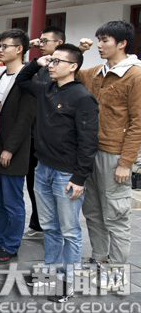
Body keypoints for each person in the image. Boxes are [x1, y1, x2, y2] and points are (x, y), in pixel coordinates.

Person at [16, 44, 99, 303]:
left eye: (57, 61)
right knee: (49, 227)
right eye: (51, 61)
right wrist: (36, 62)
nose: (51, 65)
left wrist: (79, 178)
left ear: (73, 66)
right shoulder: (47, 89)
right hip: (43, 169)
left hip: (66, 174)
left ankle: (68, 281)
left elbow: (89, 142)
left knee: (70, 231)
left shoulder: (83, 97)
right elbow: (22, 80)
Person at [76, 21, 141, 287]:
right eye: (99, 40)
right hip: (90, 151)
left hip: (114, 155)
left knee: (116, 215)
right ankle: (99, 259)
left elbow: (138, 123)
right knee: (92, 211)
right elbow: (70, 72)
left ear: (122, 43)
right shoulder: (97, 72)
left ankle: (116, 272)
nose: (100, 45)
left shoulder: (135, 75)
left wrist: (126, 162)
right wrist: (79, 52)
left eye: (105, 40)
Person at [0, 29, 36, 264]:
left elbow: (25, 119)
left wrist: (10, 148)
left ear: (20, 49)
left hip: (13, 150)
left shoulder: (27, 78)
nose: (0, 50)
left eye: (5, 46)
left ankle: (11, 245)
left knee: (12, 200)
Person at [23, 26, 65, 238]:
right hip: (33, 132)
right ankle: (38, 222)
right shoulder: (40, 66)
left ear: (59, 43)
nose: (41, 44)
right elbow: (23, 78)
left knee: (52, 186)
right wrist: (27, 47)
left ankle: (52, 227)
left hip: (51, 137)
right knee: (33, 183)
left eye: (45, 41)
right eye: (39, 41)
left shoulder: (63, 70)